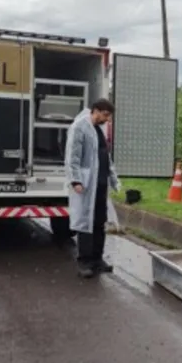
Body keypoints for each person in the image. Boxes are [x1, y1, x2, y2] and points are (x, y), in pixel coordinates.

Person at [64, 99, 121, 279]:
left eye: (109, 116)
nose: (107, 119)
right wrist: (75, 180)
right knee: (85, 223)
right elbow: (72, 155)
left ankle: (98, 259)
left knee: (99, 222)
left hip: (100, 184)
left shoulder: (99, 129)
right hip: (86, 185)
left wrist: (113, 179)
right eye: (105, 115)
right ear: (96, 111)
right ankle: (84, 261)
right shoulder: (80, 127)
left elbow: (105, 156)